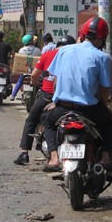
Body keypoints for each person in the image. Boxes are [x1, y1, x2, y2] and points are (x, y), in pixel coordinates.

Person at [41, 17, 112, 173]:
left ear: (82, 34)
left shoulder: (63, 51)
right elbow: (103, 90)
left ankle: (54, 158)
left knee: (47, 123)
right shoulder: (101, 57)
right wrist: (106, 107)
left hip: (63, 108)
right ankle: (105, 158)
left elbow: (55, 80)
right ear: (102, 39)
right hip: (88, 110)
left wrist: (57, 100)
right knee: (111, 124)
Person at [12, 35, 75, 165]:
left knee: (31, 120)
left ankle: (24, 153)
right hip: (70, 97)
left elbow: (34, 75)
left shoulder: (48, 55)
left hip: (47, 95)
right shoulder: (76, 57)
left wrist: (36, 83)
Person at [11, 34, 42, 100]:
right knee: (38, 83)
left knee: (20, 81)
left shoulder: (21, 50)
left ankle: (13, 95)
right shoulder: (38, 50)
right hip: (35, 71)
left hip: (24, 71)